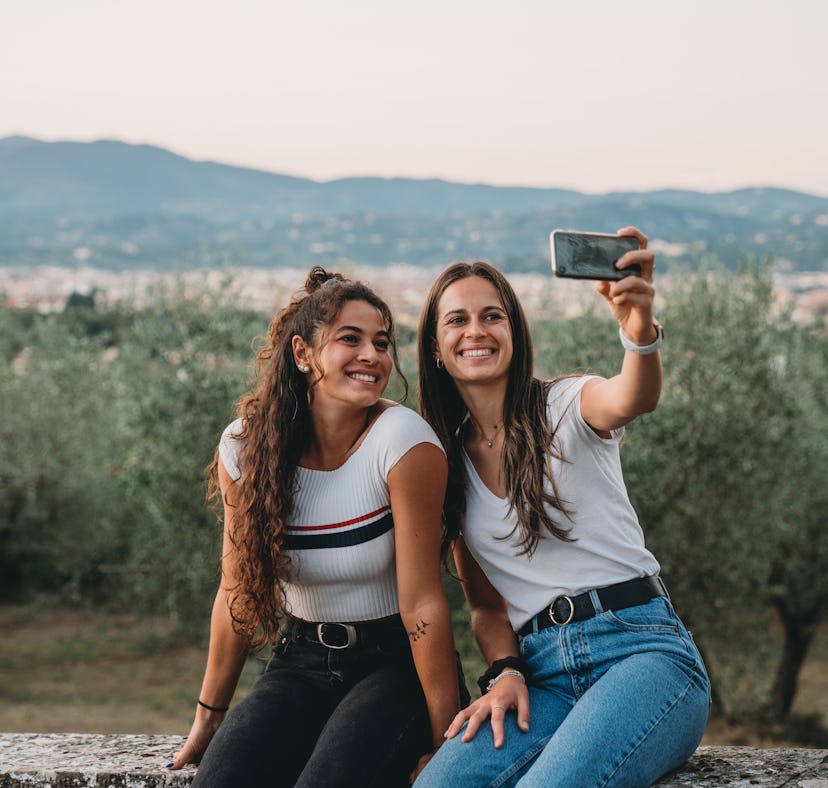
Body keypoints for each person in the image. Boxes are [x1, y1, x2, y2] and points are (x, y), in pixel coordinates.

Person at [413, 228, 711, 788]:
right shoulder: (448, 464)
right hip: (543, 676)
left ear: (514, 331)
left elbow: (633, 396)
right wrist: (504, 671)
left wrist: (638, 333)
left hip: (641, 653)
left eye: (492, 316)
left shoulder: (567, 404)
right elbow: (487, 609)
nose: (475, 330)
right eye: (456, 320)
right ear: (435, 346)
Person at [167, 266, 466, 787]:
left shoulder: (403, 443)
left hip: (395, 666)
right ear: (303, 354)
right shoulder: (244, 448)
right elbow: (236, 594)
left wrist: (445, 744)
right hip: (299, 660)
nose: (372, 355)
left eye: (381, 341)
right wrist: (209, 717)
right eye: (350, 339)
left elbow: (423, 603)